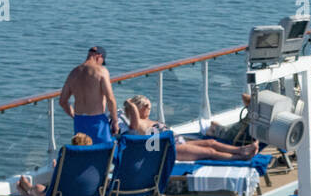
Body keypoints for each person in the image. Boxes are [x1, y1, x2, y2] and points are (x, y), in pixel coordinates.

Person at [124, 94, 259, 161]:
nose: (149, 108)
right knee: (210, 152)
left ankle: (241, 149)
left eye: (149, 105)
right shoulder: (137, 124)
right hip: (169, 149)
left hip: (176, 141)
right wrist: (130, 104)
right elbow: (134, 119)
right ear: (137, 108)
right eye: (146, 106)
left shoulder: (147, 120)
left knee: (210, 142)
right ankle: (240, 157)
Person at [58, 46, 118, 144]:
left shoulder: (74, 72)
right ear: (99, 57)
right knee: (104, 152)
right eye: (102, 62)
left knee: (83, 152)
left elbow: (62, 101)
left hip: (79, 121)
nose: (101, 64)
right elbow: (110, 99)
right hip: (97, 121)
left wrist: (74, 116)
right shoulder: (101, 71)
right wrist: (115, 121)